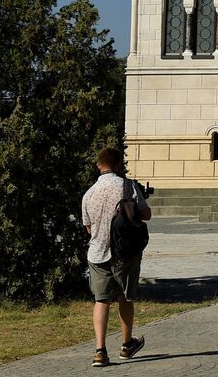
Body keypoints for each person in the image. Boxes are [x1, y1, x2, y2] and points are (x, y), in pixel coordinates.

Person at [80, 147, 151, 367]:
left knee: (101, 301)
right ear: (119, 165)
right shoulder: (127, 186)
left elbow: (89, 228)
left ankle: (100, 351)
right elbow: (146, 214)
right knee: (125, 297)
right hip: (124, 253)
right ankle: (127, 344)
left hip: (97, 253)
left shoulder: (89, 193)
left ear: (98, 165)